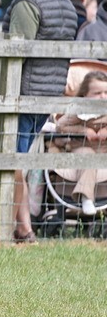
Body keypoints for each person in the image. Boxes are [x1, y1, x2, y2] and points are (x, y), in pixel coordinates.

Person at [4, 0, 77, 243]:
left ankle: (22, 227)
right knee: (21, 161)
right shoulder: (66, 4)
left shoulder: (28, 2)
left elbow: (12, 53)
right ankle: (23, 225)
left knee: (12, 161)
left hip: (22, 93)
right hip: (48, 95)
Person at [52, 70, 107, 217]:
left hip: (104, 152)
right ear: (84, 95)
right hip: (82, 149)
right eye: (97, 93)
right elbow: (60, 126)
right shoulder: (78, 111)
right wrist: (83, 129)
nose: (103, 97)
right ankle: (86, 197)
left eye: (106, 92)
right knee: (88, 157)